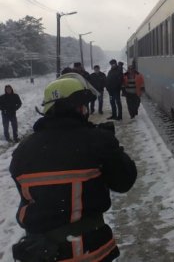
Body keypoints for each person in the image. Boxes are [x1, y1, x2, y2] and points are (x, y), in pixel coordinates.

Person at [9, 73, 137, 262]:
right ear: (77, 107)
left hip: (40, 251)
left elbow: (31, 196)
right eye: (83, 105)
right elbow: (124, 181)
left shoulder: (23, 150)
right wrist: (111, 147)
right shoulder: (96, 141)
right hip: (88, 250)